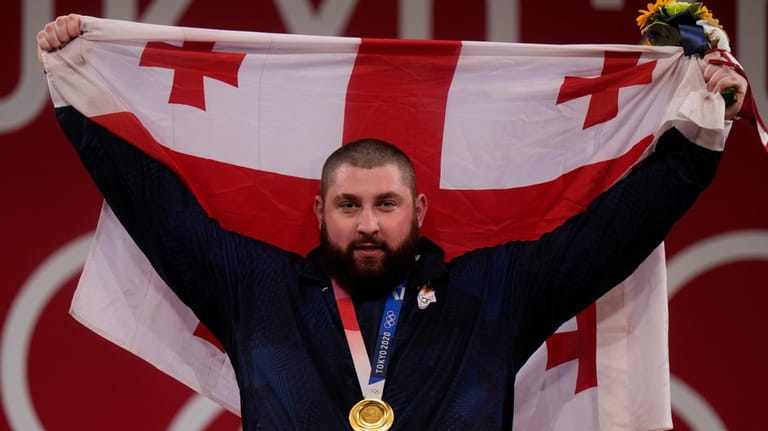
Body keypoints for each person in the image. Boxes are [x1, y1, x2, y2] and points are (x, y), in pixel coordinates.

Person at [38, 14, 748, 431]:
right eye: (349, 205)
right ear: (320, 212)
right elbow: (157, 210)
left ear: (420, 212)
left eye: (386, 204)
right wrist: (77, 88)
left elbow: (610, 236)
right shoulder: (256, 289)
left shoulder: (491, 295)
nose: (368, 224)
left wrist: (700, 133)